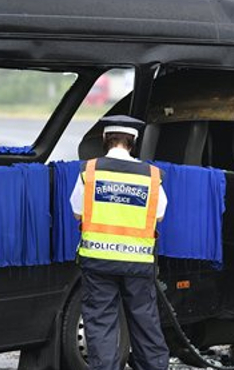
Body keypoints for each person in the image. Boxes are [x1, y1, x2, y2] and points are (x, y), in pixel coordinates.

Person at [70, 115, 169, 370]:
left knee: (101, 323)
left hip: (98, 262)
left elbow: (77, 212)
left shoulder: (89, 171)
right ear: (133, 143)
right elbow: (159, 215)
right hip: (138, 263)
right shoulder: (152, 175)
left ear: (105, 140)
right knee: (145, 322)